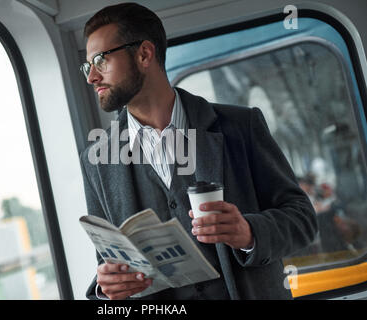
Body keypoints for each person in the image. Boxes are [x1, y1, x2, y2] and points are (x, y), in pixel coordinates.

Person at [79, 2, 317, 300]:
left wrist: (249, 233)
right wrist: (106, 288)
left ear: (143, 54)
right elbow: (109, 263)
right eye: (88, 66)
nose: (92, 77)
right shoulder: (96, 161)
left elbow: (303, 219)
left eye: (101, 60)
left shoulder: (241, 126)